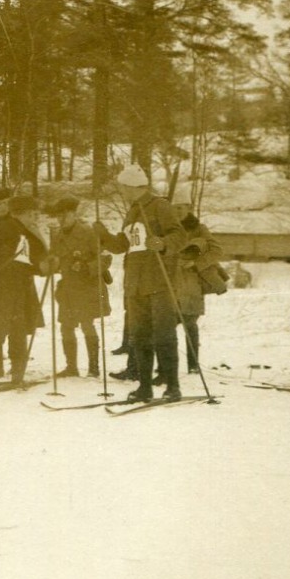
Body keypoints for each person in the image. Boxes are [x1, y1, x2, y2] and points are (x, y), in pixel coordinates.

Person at [94, 165, 188, 402]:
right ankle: (144, 387)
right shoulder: (133, 211)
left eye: (122, 187)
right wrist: (103, 235)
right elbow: (121, 246)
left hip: (159, 282)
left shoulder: (159, 206)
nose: (121, 192)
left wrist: (163, 243)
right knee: (140, 336)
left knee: (164, 335)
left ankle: (173, 387)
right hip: (135, 285)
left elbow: (180, 236)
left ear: (131, 186)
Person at [0, 195, 48, 388]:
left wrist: (43, 267)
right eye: (31, 214)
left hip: (17, 288)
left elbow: (24, 262)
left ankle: (6, 374)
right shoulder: (4, 227)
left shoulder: (24, 232)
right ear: (23, 213)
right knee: (4, 330)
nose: (34, 218)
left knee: (15, 330)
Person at [43, 196, 110, 378]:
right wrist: (51, 263)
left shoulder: (88, 233)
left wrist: (87, 266)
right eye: (59, 216)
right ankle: (71, 367)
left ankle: (94, 368)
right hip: (67, 288)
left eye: (65, 215)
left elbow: (105, 258)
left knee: (87, 324)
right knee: (66, 326)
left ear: (73, 214)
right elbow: (55, 260)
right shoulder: (57, 236)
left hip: (86, 287)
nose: (61, 219)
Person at [170, 193, 225, 375]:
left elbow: (216, 251)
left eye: (180, 208)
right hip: (169, 281)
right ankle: (167, 367)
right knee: (166, 324)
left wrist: (196, 263)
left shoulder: (199, 229)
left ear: (188, 209)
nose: (177, 211)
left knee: (190, 324)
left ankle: (193, 366)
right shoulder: (167, 228)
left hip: (191, 283)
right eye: (174, 207)